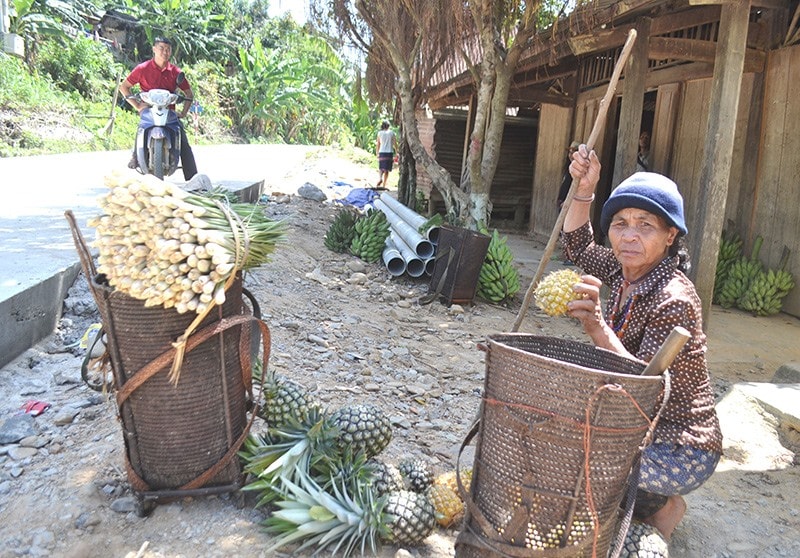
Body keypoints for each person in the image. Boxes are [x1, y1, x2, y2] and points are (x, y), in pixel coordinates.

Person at [561, 145, 723, 542]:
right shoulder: (621, 269)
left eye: (645, 226)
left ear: (670, 236)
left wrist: (598, 327)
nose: (629, 236)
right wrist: (585, 187)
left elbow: (643, 383)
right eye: (620, 223)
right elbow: (576, 247)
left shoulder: (674, 299)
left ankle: (665, 507)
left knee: (598, 470)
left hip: (679, 442)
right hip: (633, 422)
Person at [119, 36, 198, 180]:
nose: (164, 52)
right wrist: (137, 106)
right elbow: (124, 87)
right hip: (148, 110)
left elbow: (188, 93)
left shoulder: (176, 72)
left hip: (169, 111)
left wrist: (184, 113)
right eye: (161, 48)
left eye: (168, 49)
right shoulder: (142, 69)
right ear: (154, 49)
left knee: (183, 140)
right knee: (141, 128)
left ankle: (194, 180)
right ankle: (136, 156)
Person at [557, 141, 581, 209]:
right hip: (563, 205)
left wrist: (569, 203)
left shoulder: (580, 171)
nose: (570, 155)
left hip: (571, 207)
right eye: (570, 153)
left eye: (573, 153)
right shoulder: (569, 168)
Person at [375, 121, 398, 189]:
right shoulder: (391, 133)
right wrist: (397, 151)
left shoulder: (379, 133)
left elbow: (378, 144)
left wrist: (377, 152)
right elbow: (394, 143)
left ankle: (380, 178)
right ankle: (384, 185)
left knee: (381, 168)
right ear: (388, 126)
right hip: (389, 153)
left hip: (382, 152)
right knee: (387, 170)